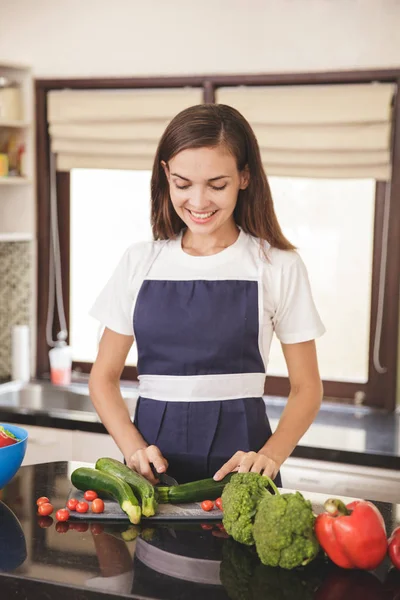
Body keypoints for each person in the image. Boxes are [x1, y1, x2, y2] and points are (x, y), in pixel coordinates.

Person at [89, 103, 325, 486]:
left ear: (244, 177)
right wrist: (133, 447)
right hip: (151, 469)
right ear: (165, 174)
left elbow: (307, 387)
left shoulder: (277, 266)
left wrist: (270, 456)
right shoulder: (139, 262)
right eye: (183, 184)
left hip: (243, 469)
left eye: (217, 185)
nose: (198, 203)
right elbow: (103, 377)